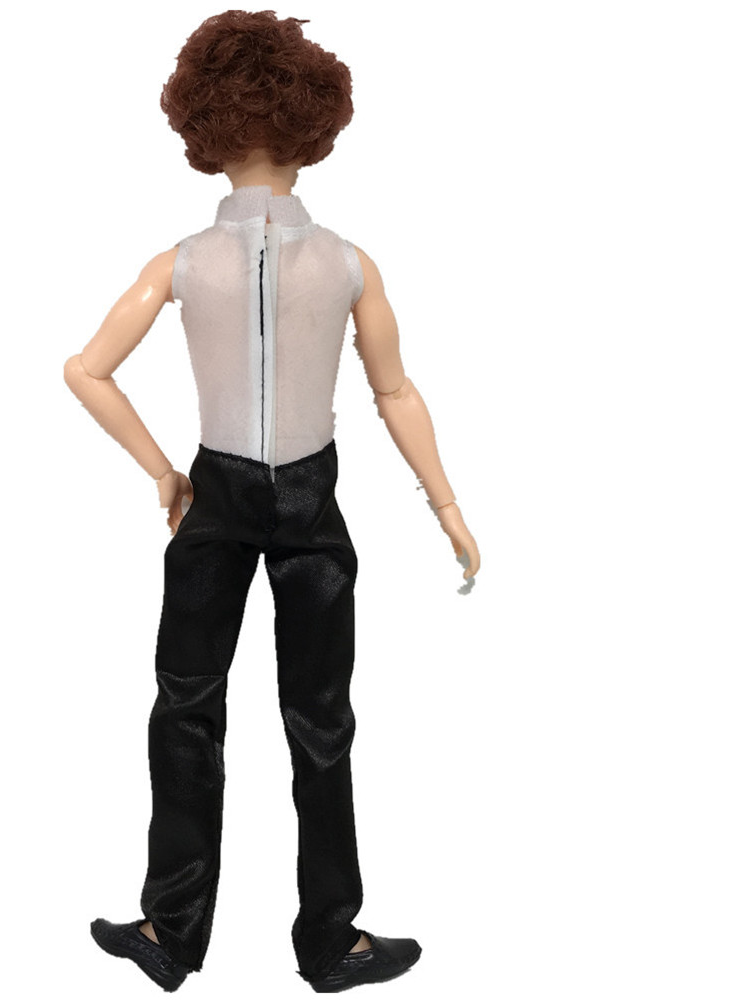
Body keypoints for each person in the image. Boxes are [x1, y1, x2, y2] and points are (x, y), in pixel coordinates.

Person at [63, 10, 480, 993]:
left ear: (201, 126)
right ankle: (329, 940)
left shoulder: (177, 262)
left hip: (213, 495)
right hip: (309, 500)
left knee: (186, 709)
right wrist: (447, 507)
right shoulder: (347, 262)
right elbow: (394, 392)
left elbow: (86, 371)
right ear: (313, 127)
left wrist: (162, 471)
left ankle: (172, 932)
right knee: (321, 721)